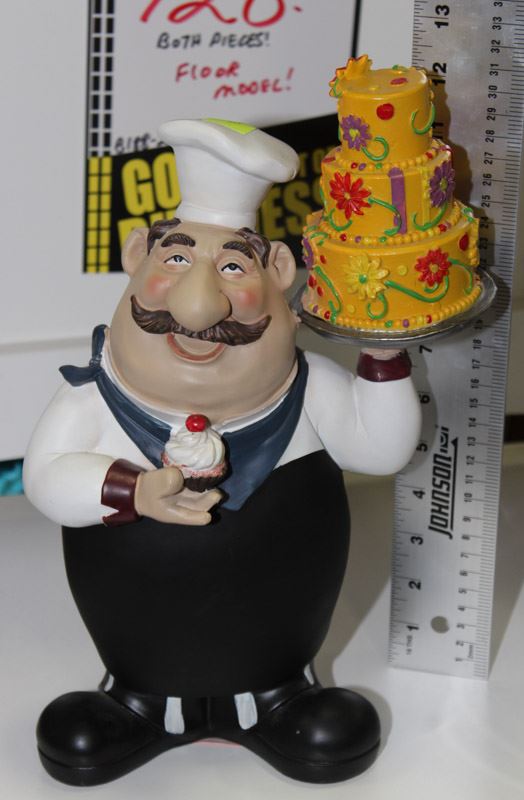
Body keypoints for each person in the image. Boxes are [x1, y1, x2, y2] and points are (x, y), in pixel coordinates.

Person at [24, 119, 422, 786]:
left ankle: (279, 698)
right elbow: (47, 480)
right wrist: (131, 490)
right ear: (137, 255)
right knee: (86, 733)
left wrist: (384, 358)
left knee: (323, 727)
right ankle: (140, 702)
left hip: (277, 661)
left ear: (281, 274)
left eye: (233, 267)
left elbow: (381, 450)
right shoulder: (91, 400)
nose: (199, 307)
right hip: (138, 655)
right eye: (177, 261)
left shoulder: (310, 391)